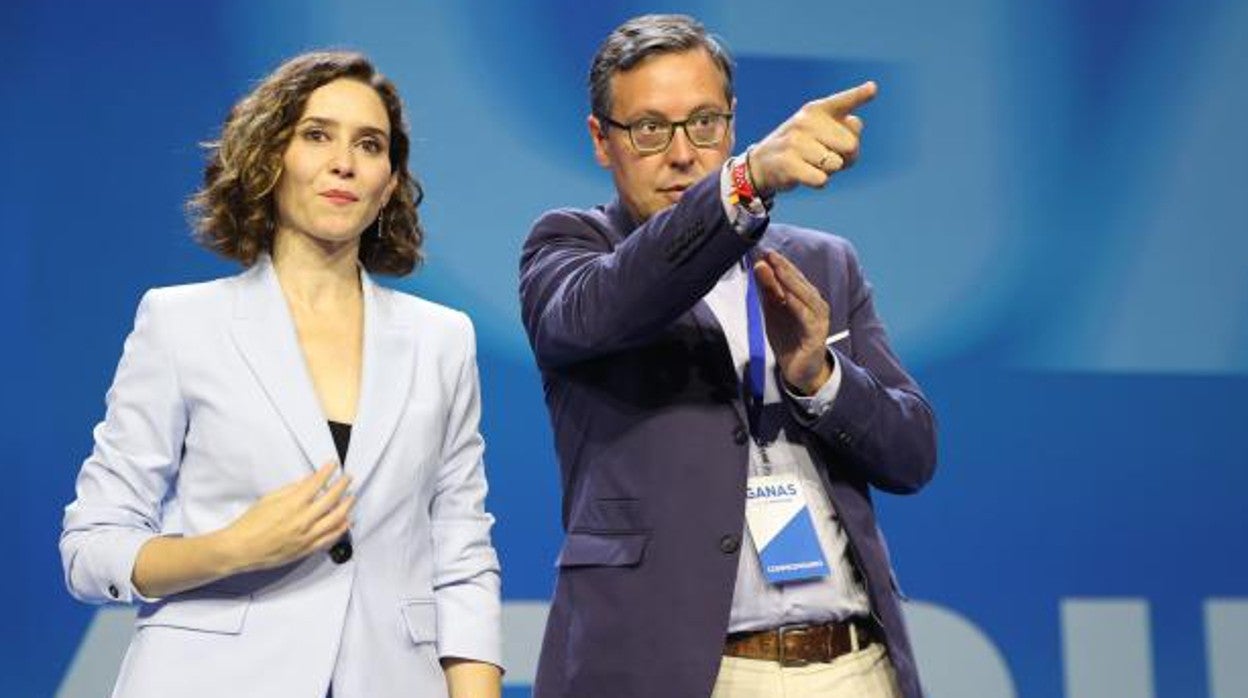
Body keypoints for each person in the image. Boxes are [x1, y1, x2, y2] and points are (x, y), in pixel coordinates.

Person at [60, 51, 502, 698]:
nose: (344, 162)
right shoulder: (182, 324)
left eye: (369, 144)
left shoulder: (442, 340)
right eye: (317, 135)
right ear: (269, 158)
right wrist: (230, 548)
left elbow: (461, 554)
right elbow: (91, 546)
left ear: (389, 182)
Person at [519, 14, 936, 698]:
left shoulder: (823, 263)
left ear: (733, 124)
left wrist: (819, 379)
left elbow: (913, 452)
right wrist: (744, 185)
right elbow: (613, 304)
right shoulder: (570, 249)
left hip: (851, 664)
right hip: (680, 672)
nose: (683, 154)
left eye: (705, 123)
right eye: (650, 128)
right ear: (602, 141)